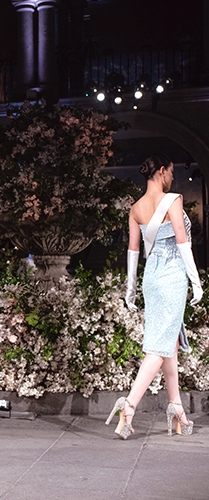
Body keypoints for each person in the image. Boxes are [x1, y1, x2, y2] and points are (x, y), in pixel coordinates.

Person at [107, 154, 203, 439]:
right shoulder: (173, 200)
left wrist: (131, 289)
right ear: (161, 171)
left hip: (151, 278)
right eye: (171, 172)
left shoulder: (135, 208)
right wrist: (196, 282)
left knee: (168, 341)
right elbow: (183, 244)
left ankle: (177, 408)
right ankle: (129, 406)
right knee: (160, 347)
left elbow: (133, 252)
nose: (172, 177)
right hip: (172, 276)